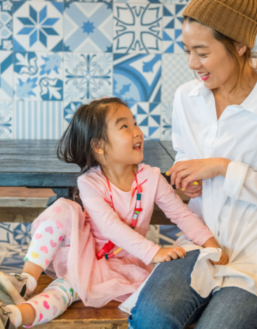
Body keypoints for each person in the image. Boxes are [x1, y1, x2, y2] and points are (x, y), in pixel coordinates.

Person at [128, 0, 257, 328]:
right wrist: (190, 182)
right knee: (151, 317)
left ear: (240, 45)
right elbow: (189, 161)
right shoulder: (187, 98)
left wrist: (221, 167)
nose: (192, 64)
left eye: (202, 52)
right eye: (187, 51)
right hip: (202, 243)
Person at [0, 98, 228, 328]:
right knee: (62, 207)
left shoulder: (151, 178)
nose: (137, 131)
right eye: (124, 126)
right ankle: (26, 280)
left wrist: (211, 244)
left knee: (66, 290)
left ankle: (14, 316)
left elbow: (182, 214)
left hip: (119, 266)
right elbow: (110, 226)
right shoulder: (90, 182)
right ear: (99, 146)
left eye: (135, 123)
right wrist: (154, 252)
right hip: (82, 251)